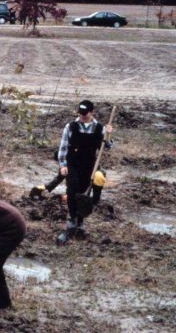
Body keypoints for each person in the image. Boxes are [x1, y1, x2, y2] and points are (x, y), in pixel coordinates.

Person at [57, 100, 113, 243]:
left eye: (85, 114)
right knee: (72, 190)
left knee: (83, 193)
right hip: (72, 164)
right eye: (80, 113)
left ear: (91, 112)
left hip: (89, 166)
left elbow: (108, 146)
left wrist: (108, 135)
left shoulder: (100, 128)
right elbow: (63, 147)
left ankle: (80, 221)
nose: (82, 116)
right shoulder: (71, 126)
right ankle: (72, 219)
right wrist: (62, 165)